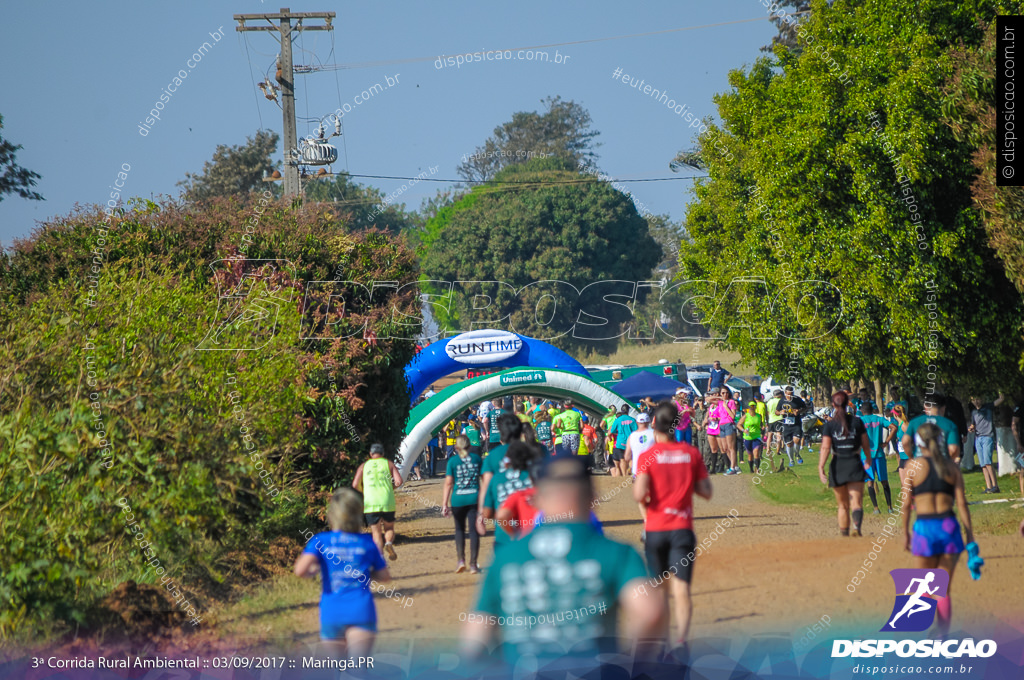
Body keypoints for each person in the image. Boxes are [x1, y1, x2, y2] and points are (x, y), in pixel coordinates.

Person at [462, 456, 662, 672]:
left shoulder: (506, 557)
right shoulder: (616, 552)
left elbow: (474, 640)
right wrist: (629, 664)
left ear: (538, 500)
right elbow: (650, 612)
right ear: (592, 498)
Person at [634, 400, 713, 646]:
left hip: (655, 529)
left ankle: (662, 640)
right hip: (681, 529)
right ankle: (680, 642)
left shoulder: (648, 456)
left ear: (654, 424)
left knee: (659, 591)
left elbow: (639, 495)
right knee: (681, 590)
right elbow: (706, 491)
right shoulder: (690, 454)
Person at [294, 487, 392, 658]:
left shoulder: (320, 541)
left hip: (332, 613)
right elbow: (385, 577)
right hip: (361, 611)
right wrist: (365, 573)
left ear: (332, 515)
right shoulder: (368, 543)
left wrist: (317, 570)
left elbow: (300, 570)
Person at [900, 423, 976, 637]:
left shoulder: (912, 467)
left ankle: (920, 631)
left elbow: (906, 504)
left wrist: (905, 532)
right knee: (942, 588)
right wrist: (969, 534)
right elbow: (961, 503)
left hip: (925, 528)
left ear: (918, 443)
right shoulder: (952, 467)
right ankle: (942, 633)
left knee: (923, 584)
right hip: (948, 527)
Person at [818, 392, 870, 537]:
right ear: (848, 403)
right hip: (854, 462)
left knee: (842, 505)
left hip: (838, 464)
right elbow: (866, 444)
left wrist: (821, 466)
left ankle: (845, 534)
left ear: (833, 405)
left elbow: (826, 447)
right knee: (856, 503)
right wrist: (869, 460)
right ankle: (857, 527)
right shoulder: (857, 422)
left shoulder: (830, 425)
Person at [479, 440, 541, 554]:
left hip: (504, 537)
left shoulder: (497, 478)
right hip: (533, 537)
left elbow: (487, 513)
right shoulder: (535, 477)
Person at [352, 443, 403, 560]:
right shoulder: (388, 463)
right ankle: (389, 543)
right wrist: (391, 488)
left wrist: (363, 490)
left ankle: (380, 558)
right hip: (387, 501)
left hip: (371, 503)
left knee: (376, 532)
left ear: (371, 454)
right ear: (383, 453)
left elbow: (355, 484)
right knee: (389, 528)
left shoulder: (364, 466)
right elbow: (399, 481)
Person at [442, 435, 483, 574]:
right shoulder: (477, 459)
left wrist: (444, 504)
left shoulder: (452, 461)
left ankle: (461, 560)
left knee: (459, 529)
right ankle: (473, 564)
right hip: (474, 499)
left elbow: (448, 483)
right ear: (469, 446)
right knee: (473, 530)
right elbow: (484, 480)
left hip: (458, 500)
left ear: (456, 447)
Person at [902, 394, 961, 465]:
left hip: (920, 463)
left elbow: (905, 441)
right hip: (941, 464)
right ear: (943, 407)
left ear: (925, 407)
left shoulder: (914, 422)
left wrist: (911, 457)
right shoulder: (949, 424)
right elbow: (953, 449)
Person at [860, 402, 896, 514]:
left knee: (870, 482)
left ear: (862, 411)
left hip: (866, 456)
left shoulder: (860, 421)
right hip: (879, 455)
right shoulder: (878, 419)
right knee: (884, 481)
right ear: (872, 410)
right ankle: (890, 507)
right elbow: (893, 427)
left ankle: (876, 508)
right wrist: (886, 442)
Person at [968, 394, 1003, 494]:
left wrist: (1001, 392)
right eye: (974, 400)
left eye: (978, 399)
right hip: (978, 438)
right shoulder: (974, 412)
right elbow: (973, 424)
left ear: (982, 399)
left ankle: (995, 486)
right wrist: (971, 428)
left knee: (988, 462)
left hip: (987, 437)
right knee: (983, 464)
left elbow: (1000, 400)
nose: (976, 401)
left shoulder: (988, 407)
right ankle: (988, 487)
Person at [708, 388, 740, 475]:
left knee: (731, 447)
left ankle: (732, 467)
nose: (725, 394)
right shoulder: (720, 402)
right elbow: (708, 399)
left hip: (729, 424)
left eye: (726, 393)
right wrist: (720, 398)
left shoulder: (731, 402)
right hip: (721, 425)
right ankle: (735, 466)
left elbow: (733, 416)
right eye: (723, 393)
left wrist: (726, 406)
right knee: (725, 448)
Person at [775, 385, 807, 467]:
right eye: (789, 394)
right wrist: (780, 413)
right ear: (785, 393)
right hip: (786, 424)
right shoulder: (782, 401)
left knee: (796, 440)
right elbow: (776, 411)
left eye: (791, 394)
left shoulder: (797, 399)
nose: (790, 396)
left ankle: (797, 454)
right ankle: (791, 460)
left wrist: (799, 411)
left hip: (796, 424)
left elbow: (805, 408)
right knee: (789, 444)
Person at [609, 405, 638, 477]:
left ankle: (624, 475)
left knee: (622, 459)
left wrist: (619, 431)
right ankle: (632, 473)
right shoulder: (632, 420)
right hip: (630, 442)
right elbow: (636, 431)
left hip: (620, 442)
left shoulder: (618, 420)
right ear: (628, 411)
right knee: (631, 458)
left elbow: (612, 430)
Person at [737, 401, 764, 474]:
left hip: (756, 436)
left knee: (756, 452)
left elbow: (761, 424)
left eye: (753, 406)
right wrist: (743, 430)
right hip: (748, 437)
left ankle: (757, 469)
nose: (752, 408)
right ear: (748, 408)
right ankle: (751, 469)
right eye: (750, 406)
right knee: (750, 454)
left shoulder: (758, 416)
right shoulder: (746, 416)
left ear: (755, 407)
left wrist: (763, 427)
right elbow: (739, 424)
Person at [891, 404, 913, 487]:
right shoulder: (899, 425)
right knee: (904, 485)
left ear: (895, 415)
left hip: (908, 457)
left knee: (909, 485)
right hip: (902, 458)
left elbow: (912, 438)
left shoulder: (904, 425)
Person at [765, 388, 785, 467]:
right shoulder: (780, 401)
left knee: (769, 435)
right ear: (779, 395)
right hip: (779, 419)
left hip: (771, 420)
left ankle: (768, 449)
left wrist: (767, 420)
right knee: (778, 435)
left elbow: (768, 412)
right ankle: (778, 450)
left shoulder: (769, 402)